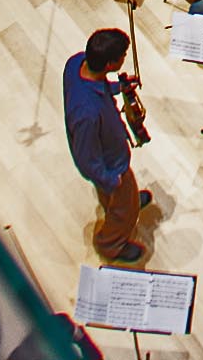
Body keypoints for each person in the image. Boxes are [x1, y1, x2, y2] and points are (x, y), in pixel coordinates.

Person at [62, 27, 151, 265]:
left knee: (116, 197)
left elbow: (98, 86)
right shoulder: (86, 114)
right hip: (111, 165)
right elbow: (86, 159)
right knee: (125, 208)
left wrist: (118, 88)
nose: (124, 59)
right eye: (122, 56)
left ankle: (119, 202)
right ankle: (111, 244)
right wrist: (112, 181)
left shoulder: (76, 63)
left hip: (109, 150)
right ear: (110, 63)